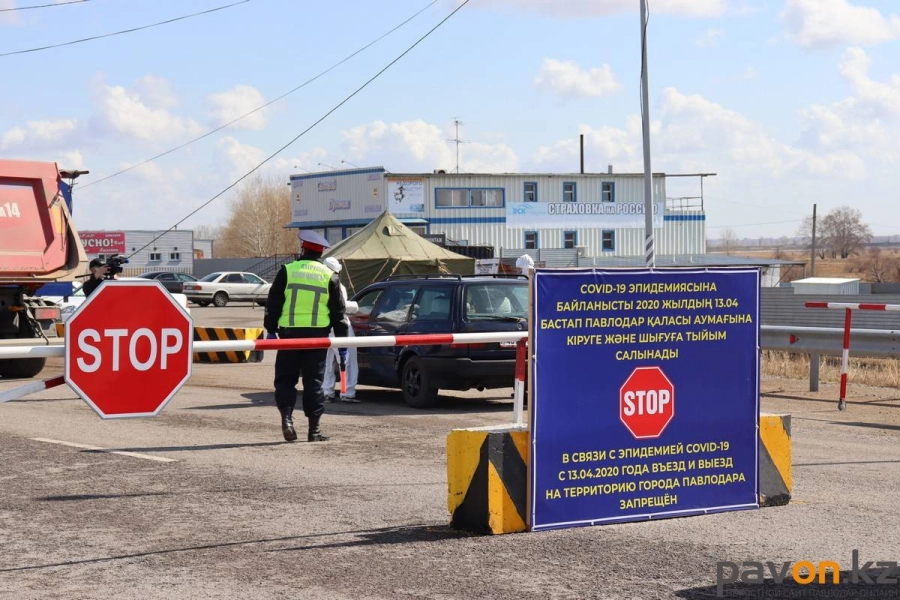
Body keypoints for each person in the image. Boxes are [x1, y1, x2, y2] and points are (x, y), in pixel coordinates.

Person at [264, 230, 348, 443]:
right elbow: (339, 313)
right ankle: (314, 430)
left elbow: (273, 303)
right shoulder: (330, 276)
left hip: (290, 335)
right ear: (321, 252)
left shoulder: (288, 271)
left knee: (285, 379)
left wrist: (271, 329)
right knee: (314, 383)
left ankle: (287, 419)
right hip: (317, 338)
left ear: (303, 248)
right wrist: (343, 342)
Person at [321, 257, 360, 403]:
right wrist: (354, 307)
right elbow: (341, 308)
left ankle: (327, 391)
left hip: (323, 327)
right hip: (340, 327)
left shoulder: (318, 285)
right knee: (347, 361)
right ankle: (347, 392)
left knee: (327, 362)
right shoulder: (338, 286)